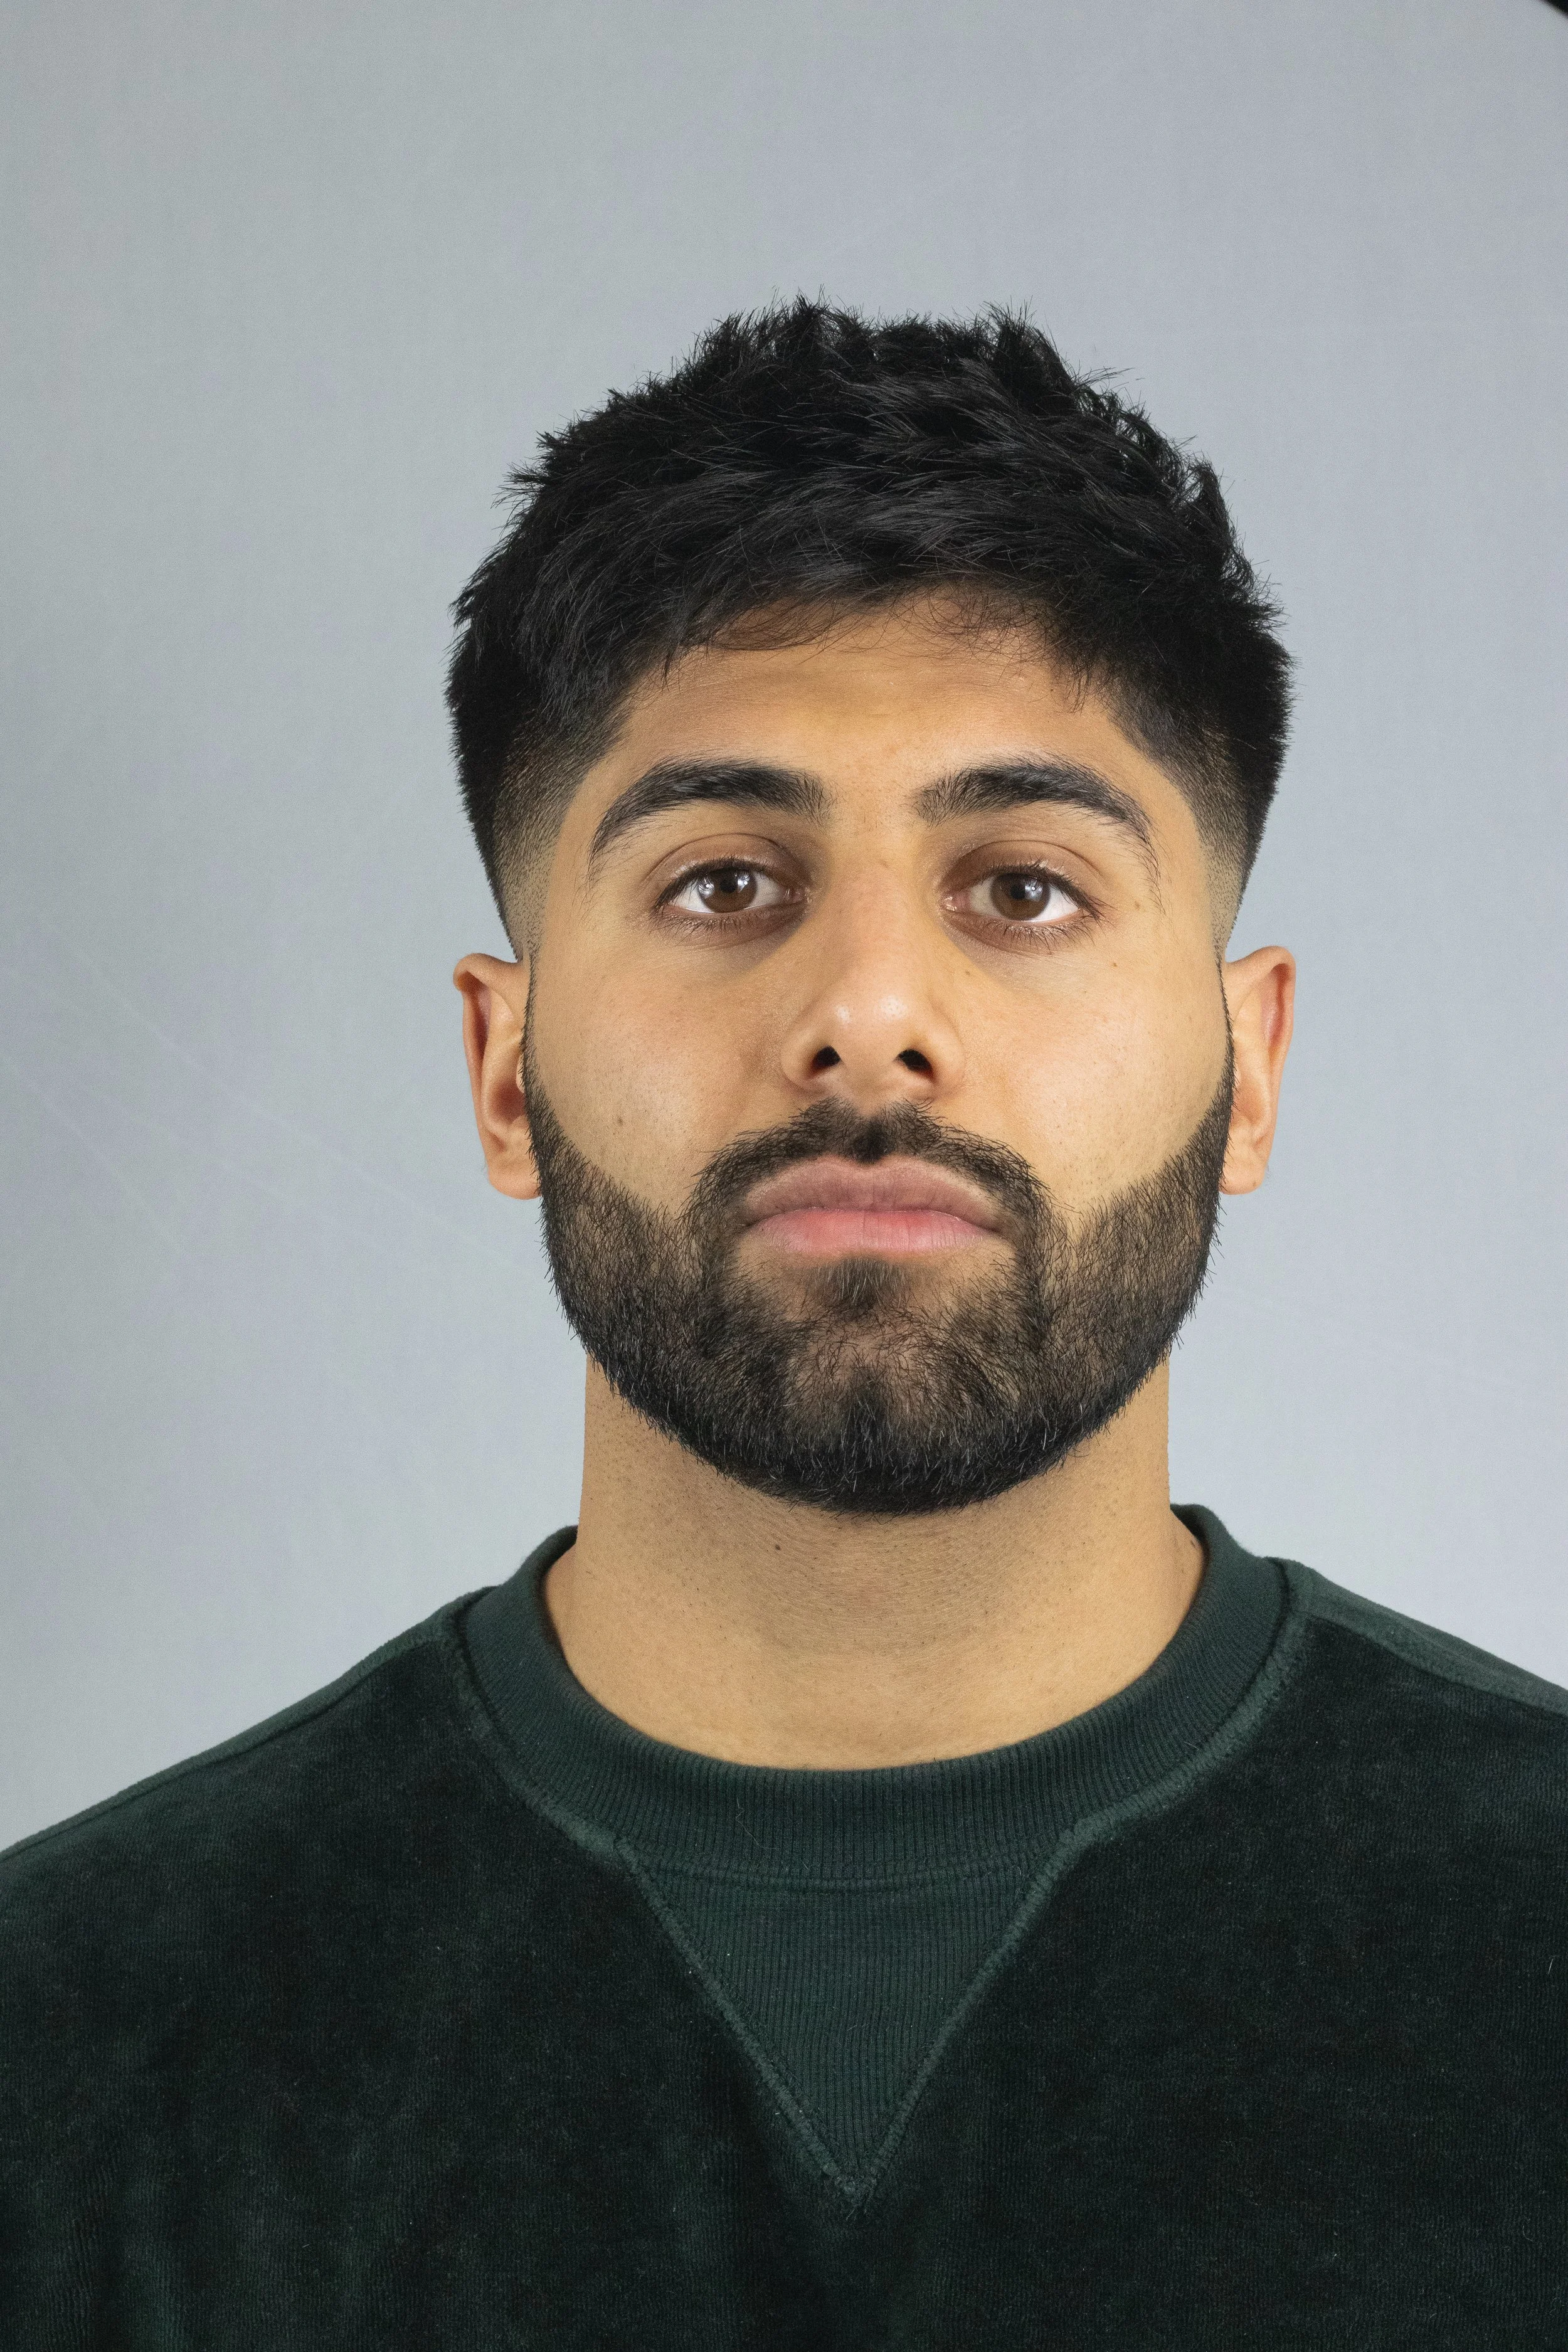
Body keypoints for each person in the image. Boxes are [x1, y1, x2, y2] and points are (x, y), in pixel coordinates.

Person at [3, 303, 1564, 2350]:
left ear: (1246, 1066)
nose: (869, 1015)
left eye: (1023, 887)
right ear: (504, 1069)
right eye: (726, 883)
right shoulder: (69, 2044)